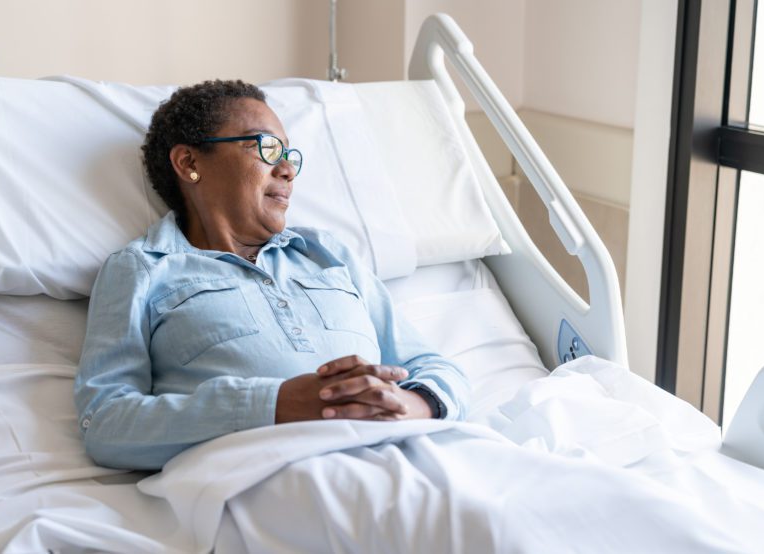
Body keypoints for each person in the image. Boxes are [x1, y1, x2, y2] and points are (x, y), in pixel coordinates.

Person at [74, 79, 469, 470]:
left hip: (410, 453)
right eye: (266, 147)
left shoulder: (326, 254)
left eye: (290, 155)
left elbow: (436, 368)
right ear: (190, 163)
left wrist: (407, 404)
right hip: (276, 473)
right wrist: (274, 405)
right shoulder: (143, 268)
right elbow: (106, 423)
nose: (287, 170)